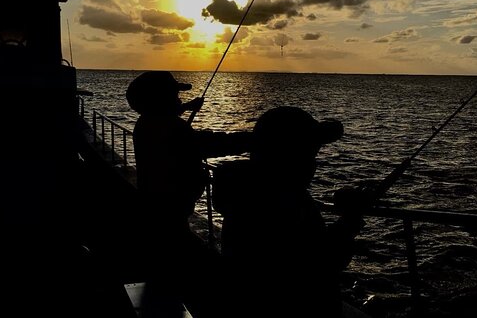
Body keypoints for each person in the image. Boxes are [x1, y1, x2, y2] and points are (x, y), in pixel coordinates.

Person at [213, 106, 364, 318]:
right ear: (290, 155)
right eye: (309, 151)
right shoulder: (281, 201)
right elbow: (316, 267)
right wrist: (349, 222)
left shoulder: (244, 190)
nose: (313, 161)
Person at [125, 70, 251, 318]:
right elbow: (213, 144)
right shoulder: (172, 128)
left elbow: (167, 120)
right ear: (160, 99)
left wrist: (189, 107)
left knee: (163, 267)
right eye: (175, 94)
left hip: (156, 212)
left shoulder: (147, 123)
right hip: (169, 216)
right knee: (188, 271)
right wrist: (258, 139)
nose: (179, 98)